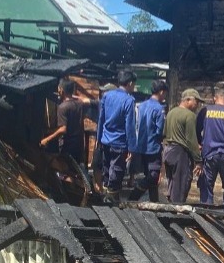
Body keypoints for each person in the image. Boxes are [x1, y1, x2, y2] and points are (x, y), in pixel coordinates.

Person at [96, 70, 138, 204]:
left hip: (105, 140)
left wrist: (98, 138)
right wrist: (132, 147)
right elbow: (130, 126)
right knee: (117, 171)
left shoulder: (107, 96)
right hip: (119, 143)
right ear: (130, 83)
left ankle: (105, 199)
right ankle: (111, 202)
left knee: (107, 170)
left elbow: (101, 119)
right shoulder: (128, 100)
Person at [128, 79, 168, 201]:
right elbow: (159, 130)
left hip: (141, 146)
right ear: (161, 92)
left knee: (150, 176)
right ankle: (133, 197)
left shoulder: (142, 105)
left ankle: (154, 202)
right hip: (153, 147)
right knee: (153, 176)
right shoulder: (159, 109)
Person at [164, 88, 205, 203]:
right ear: (187, 100)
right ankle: (177, 213)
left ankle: (170, 208)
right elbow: (191, 140)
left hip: (168, 151)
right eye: (196, 101)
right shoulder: (190, 116)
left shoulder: (171, 112)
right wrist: (198, 160)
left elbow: (164, 133)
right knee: (181, 184)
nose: (197, 105)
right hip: (180, 154)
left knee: (171, 184)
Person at [40, 79, 88, 162]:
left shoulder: (63, 107)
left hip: (68, 146)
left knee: (66, 171)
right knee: (76, 171)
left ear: (61, 90)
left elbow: (63, 129)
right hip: (79, 145)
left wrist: (46, 139)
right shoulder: (80, 104)